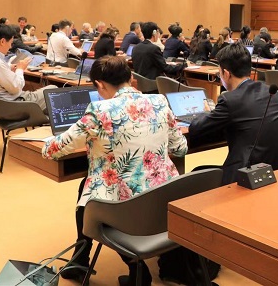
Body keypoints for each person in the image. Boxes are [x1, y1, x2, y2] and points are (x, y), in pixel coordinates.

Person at [42, 56, 188, 286]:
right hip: (162, 199)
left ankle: (129, 266)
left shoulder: (99, 110)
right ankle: (80, 260)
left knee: (90, 191)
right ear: (130, 78)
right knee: (87, 186)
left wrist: (47, 140)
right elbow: (181, 148)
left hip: (125, 207)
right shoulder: (160, 101)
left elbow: (53, 150)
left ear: (99, 84)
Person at [188, 43, 278, 185]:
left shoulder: (229, 100)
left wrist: (206, 112)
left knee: (195, 173)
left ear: (226, 74)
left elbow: (196, 129)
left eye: (219, 73)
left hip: (246, 176)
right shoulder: (270, 92)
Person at [0, 24, 54, 112]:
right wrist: (20, 69)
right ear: (2, 41)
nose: (10, 47)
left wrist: (8, 67)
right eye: (10, 43)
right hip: (11, 104)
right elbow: (16, 88)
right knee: (53, 89)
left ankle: (41, 118)